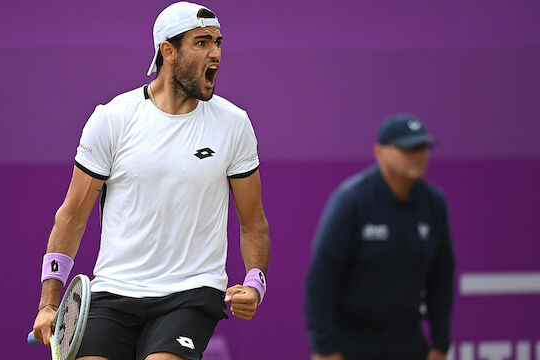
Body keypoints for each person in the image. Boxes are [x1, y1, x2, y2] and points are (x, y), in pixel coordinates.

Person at [31, 2, 270, 360]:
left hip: (191, 292)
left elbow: (254, 224)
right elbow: (72, 216)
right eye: (202, 42)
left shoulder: (233, 124)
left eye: (218, 42)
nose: (216, 53)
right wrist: (49, 304)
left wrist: (255, 283)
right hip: (114, 292)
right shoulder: (112, 120)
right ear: (168, 51)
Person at [305, 114, 455, 360]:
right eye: (408, 148)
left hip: (408, 339)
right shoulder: (352, 200)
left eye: (422, 148)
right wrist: (324, 347)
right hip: (352, 342)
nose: (418, 155)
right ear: (380, 152)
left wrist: (440, 344)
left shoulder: (434, 203)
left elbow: (441, 278)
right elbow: (322, 277)